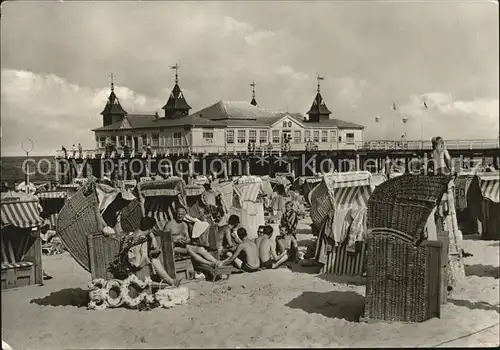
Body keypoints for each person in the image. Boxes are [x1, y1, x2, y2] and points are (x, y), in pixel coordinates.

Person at [127, 217, 179, 286]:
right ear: (150, 229)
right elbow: (144, 255)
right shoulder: (142, 238)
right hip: (136, 265)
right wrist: (149, 262)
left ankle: (170, 281)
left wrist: (153, 238)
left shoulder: (132, 234)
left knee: (154, 260)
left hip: (130, 261)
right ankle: (171, 282)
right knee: (155, 261)